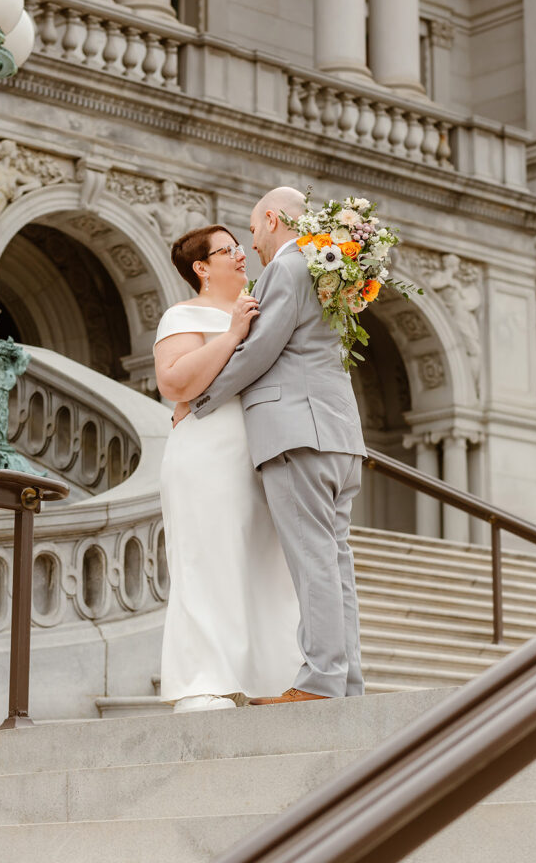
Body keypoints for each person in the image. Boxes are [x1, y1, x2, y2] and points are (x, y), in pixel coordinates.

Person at [189, 187, 366, 704]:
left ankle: (320, 682)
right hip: (338, 436)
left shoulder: (287, 268)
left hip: (297, 434)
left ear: (272, 219)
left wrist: (202, 399)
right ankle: (346, 683)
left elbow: (258, 350)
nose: (254, 243)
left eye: (253, 230)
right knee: (335, 563)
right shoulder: (332, 273)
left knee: (314, 560)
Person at [154, 224, 302, 712]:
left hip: (262, 450)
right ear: (201, 267)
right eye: (228, 250)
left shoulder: (265, 305)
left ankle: (273, 680)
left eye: (241, 246)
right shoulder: (184, 314)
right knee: (207, 559)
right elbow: (175, 383)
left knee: (266, 562)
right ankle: (203, 682)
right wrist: (234, 332)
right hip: (206, 452)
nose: (242, 254)